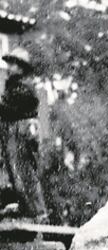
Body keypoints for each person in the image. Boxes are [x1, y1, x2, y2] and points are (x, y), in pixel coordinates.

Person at [0, 47, 47, 220]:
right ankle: (28, 211)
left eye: (13, 64)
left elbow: (8, 108)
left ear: (21, 67)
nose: (9, 67)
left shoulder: (24, 87)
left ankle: (39, 215)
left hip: (22, 133)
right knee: (16, 175)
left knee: (25, 175)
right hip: (13, 133)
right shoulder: (13, 86)